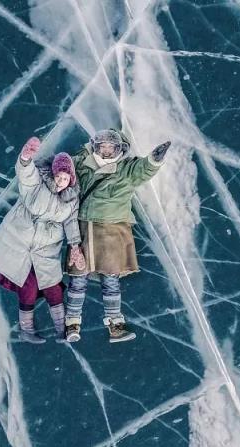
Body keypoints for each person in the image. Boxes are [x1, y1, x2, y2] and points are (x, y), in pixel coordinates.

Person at [64, 129, 171, 343]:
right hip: (83, 228)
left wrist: (154, 159)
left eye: (110, 147)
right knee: (78, 279)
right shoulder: (83, 162)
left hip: (112, 232)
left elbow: (143, 169)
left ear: (119, 148)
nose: (105, 151)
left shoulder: (126, 169)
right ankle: (72, 324)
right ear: (95, 146)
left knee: (111, 280)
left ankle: (115, 324)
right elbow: (62, 168)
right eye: (101, 146)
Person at [0, 136, 87, 343]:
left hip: (47, 247)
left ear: (71, 179)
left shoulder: (71, 199)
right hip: (20, 240)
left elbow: (71, 222)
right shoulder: (38, 184)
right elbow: (26, 175)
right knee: (28, 286)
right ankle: (26, 329)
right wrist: (25, 158)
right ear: (53, 173)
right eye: (59, 176)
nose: (61, 180)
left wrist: (75, 245)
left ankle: (62, 329)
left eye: (66, 178)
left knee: (52, 287)